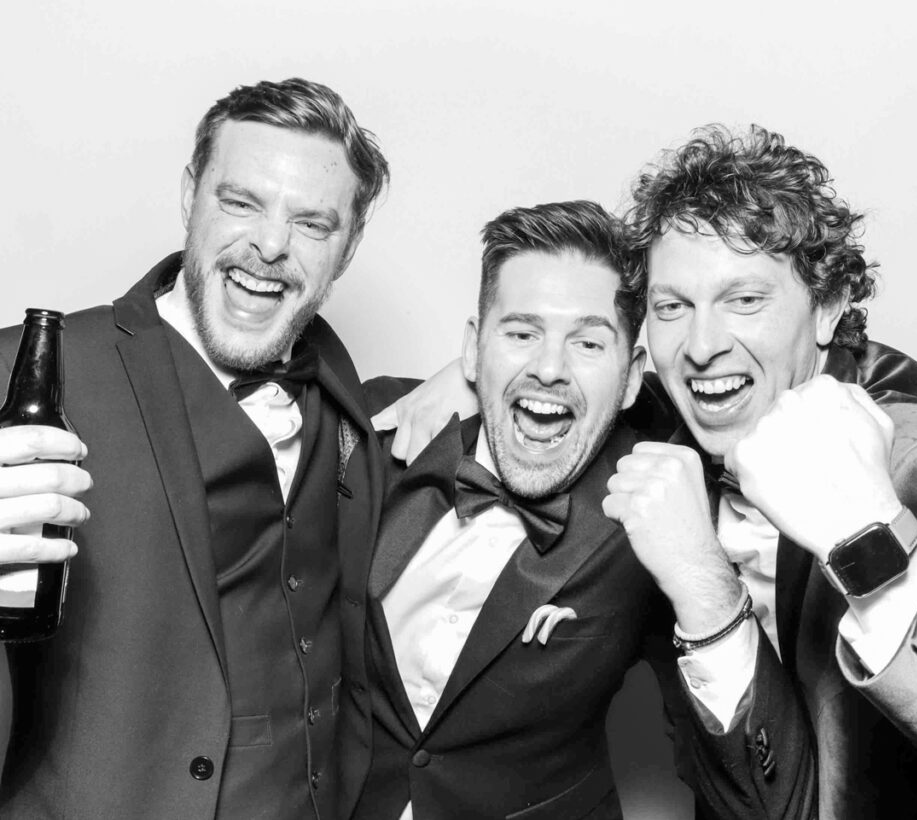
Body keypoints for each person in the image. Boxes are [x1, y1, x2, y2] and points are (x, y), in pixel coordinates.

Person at [603, 124, 917, 819]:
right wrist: (470, 382)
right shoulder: (674, 439)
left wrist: (873, 546)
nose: (702, 346)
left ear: (827, 308)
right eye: (673, 307)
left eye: (745, 299)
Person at [0, 78, 389, 819]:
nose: (271, 245)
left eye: (312, 223)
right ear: (190, 194)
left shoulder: (341, 392)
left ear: (347, 246)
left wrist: (471, 379)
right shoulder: (30, 375)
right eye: (241, 202)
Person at [354, 200, 686, 820]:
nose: (550, 369)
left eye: (588, 342)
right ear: (473, 346)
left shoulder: (655, 507)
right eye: (521, 333)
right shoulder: (376, 433)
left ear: (633, 373)